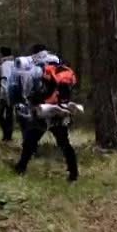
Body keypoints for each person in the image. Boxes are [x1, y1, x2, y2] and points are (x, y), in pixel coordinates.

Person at [11, 44, 79, 181]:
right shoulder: (61, 67)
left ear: (34, 53)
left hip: (44, 109)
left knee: (31, 139)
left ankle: (21, 166)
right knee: (64, 142)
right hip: (61, 109)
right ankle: (73, 172)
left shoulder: (37, 68)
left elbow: (28, 91)